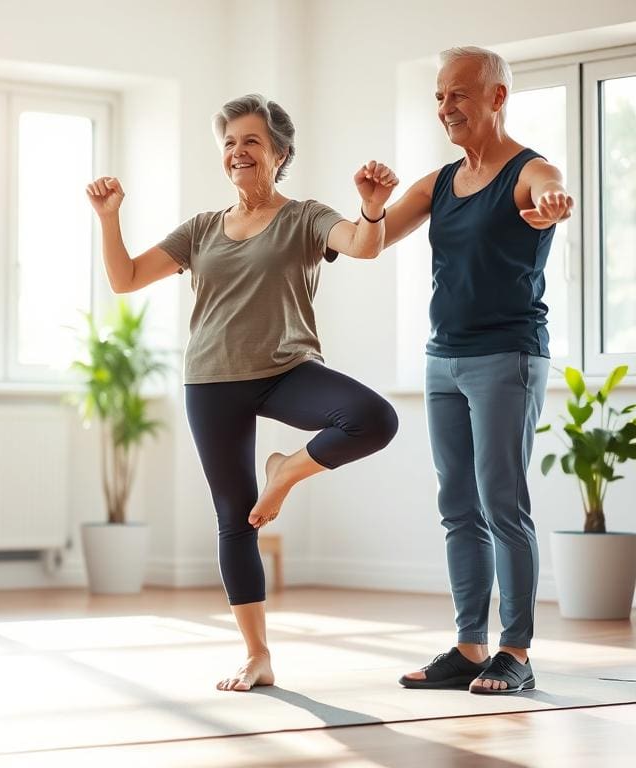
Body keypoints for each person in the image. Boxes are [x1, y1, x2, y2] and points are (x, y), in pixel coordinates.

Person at [85, 94, 400, 692]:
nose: (238, 152)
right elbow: (124, 279)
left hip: (287, 368)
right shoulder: (202, 228)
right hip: (212, 379)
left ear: (279, 154)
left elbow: (362, 244)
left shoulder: (306, 216)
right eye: (230, 143)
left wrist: (371, 208)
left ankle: (285, 471)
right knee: (235, 517)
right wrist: (108, 217)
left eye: (251, 142)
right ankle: (257, 655)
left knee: (373, 418)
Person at [383, 47, 574, 694]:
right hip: (444, 357)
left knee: (502, 502)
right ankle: (469, 645)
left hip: (507, 356)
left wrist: (552, 204)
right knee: (458, 504)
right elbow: (372, 240)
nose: (445, 108)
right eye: (439, 96)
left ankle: (515, 649)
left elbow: (549, 189)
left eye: (458, 94)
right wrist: (374, 205)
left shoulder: (529, 170)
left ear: (496, 97)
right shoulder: (438, 182)